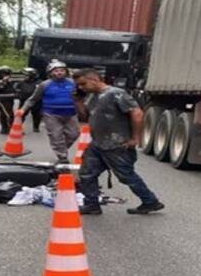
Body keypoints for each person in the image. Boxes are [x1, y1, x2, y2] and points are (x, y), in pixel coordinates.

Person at [73, 67, 164, 216]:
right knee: (87, 173)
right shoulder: (92, 96)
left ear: (94, 79)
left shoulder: (116, 93)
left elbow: (137, 113)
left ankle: (150, 201)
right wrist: (77, 101)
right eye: (79, 85)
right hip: (98, 143)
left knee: (126, 175)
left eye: (83, 84)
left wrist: (135, 138)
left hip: (117, 144)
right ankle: (91, 204)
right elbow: (86, 117)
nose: (81, 87)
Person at [20, 59, 80, 163]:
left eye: (61, 70)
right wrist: (23, 110)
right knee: (56, 136)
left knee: (74, 134)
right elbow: (32, 99)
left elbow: (85, 96)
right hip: (51, 115)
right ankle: (62, 157)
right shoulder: (45, 85)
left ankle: (61, 149)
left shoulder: (74, 83)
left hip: (71, 114)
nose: (59, 72)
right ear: (50, 73)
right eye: (56, 71)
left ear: (66, 71)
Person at [0, 65, 18, 134]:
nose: (7, 75)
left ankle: (9, 127)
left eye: (8, 74)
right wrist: (3, 81)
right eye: (5, 74)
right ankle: (5, 128)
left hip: (9, 99)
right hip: (0, 99)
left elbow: (14, 89)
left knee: (9, 113)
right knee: (7, 114)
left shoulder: (11, 81)